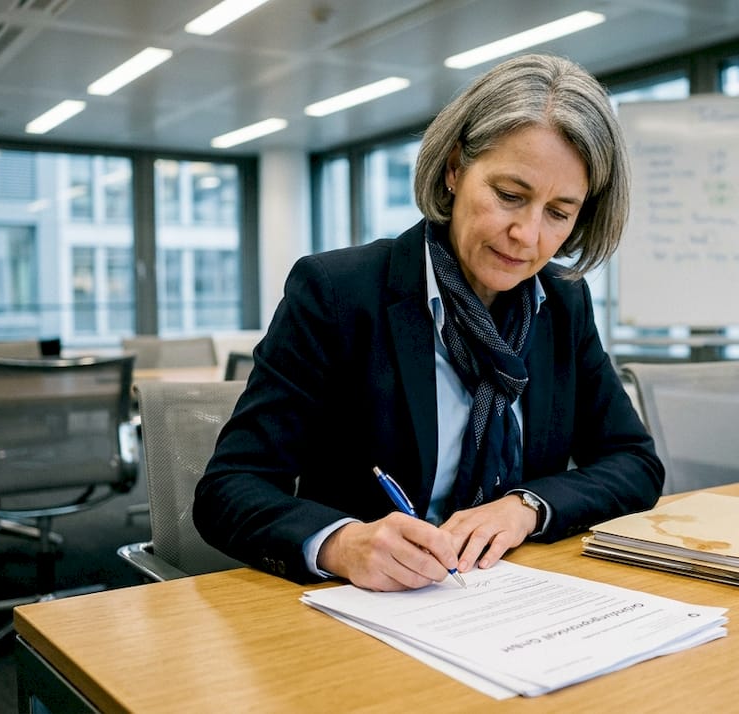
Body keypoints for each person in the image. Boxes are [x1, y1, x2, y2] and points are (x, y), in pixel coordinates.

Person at [193, 53, 663, 592]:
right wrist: (342, 543)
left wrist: (525, 508)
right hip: (368, 612)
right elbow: (229, 487)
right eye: (510, 196)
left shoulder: (562, 303)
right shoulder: (338, 293)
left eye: (559, 212)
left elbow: (633, 462)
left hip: (514, 596)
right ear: (455, 169)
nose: (528, 236)